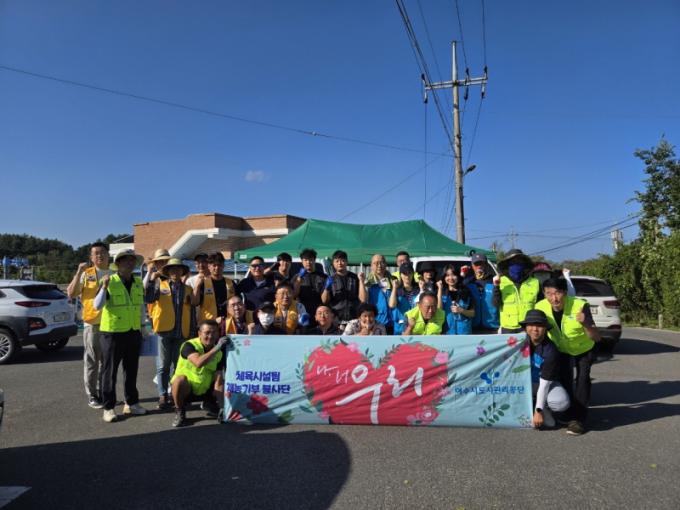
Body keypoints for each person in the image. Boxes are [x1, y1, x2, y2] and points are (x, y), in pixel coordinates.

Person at [535, 278, 601, 436]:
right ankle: (567, 412)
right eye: (549, 293)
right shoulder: (540, 307)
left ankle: (578, 420)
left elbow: (596, 337)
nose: (554, 298)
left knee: (582, 379)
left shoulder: (580, 305)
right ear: (544, 294)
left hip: (584, 348)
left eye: (557, 293)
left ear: (565, 292)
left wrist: (586, 324)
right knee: (565, 379)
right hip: (561, 349)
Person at [93, 249, 147, 422]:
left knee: (131, 370)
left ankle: (131, 403)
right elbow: (97, 306)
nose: (129, 263)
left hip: (133, 331)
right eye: (125, 260)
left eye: (132, 260)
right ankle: (108, 407)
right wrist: (104, 287)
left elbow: (140, 307)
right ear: (117, 264)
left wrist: (143, 327)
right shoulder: (109, 281)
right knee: (109, 372)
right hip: (112, 333)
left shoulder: (137, 282)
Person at [145, 258, 197, 410]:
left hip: (182, 332)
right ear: (167, 272)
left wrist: (192, 333)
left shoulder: (188, 289)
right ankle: (163, 395)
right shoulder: (160, 285)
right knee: (163, 366)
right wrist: (151, 280)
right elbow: (148, 298)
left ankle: (175, 394)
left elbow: (191, 312)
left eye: (178, 269)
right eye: (172, 269)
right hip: (163, 331)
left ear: (182, 271)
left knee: (179, 366)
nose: (175, 272)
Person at [66, 241, 112, 409]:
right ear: (91, 257)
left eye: (102, 252)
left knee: (107, 362)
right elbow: (71, 293)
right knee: (92, 361)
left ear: (108, 254)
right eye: (96, 253)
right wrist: (78, 272)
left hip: (111, 324)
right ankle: (92, 394)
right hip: (92, 323)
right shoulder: (86, 274)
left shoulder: (114, 273)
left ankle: (103, 392)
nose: (100, 255)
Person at [170, 320, 228, 427]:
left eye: (214, 332)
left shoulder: (219, 353)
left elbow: (219, 381)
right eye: (207, 333)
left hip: (205, 390)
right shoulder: (189, 345)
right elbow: (198, 363)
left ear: (218, 334)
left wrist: (223, 408)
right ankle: (179, 411)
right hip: (187, 390)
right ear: (199, 333)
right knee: (179, 380)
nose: (210, 336)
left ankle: (211, 404)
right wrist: (216, 348)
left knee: (223, 381)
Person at [520, 309, 570, 430]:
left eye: (539, 325)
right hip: (523, 384)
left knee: (561, 403)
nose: (535, 329)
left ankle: (540, 406)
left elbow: (544, 385)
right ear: (525, 327)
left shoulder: (551, 350)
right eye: (531, 325)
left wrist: (538, 411)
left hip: (544, 383)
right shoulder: (517, 342)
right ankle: (530, 403)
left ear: (546, 328)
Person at [494, 249, 541, 333]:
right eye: (513, 262)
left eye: (519, 262)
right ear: (507, 265)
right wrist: (496, 287)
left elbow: (540, 306)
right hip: (507, 328)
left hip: (529, 327)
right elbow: (496, 304)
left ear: (524, 264)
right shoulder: (500, 281)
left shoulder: (535, 282)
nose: (516, 265)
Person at [321, 250, 364, 331]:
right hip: (336, 321)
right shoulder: (330, 279)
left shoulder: (355, 277)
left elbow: (363, 299)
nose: (340, 263)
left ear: (347, 262)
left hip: (354, 319)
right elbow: (324, 301)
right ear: (333, 263)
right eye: (337, 261)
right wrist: (326, 288)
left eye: (342, 260)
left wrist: (361, 281)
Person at [193, 252, 236, 322]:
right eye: (214, 265)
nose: (217, 268)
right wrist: (197, 286)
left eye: (219, 265)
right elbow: (195, 302)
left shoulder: (231, 283)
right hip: (209, 323)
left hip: (228, 323)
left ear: (223, 266)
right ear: (209, 266)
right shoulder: (203, 283)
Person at [465, 253, 499, 333]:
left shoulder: (495, 280)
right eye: (476, 264)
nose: (479, 266)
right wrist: (462, 276)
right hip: (471, 327)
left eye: (481, 263)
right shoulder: (467, 282)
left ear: (486, 264)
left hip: (493, 327)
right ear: (472, 266)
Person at [437, 264, 475, 335]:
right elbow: (439, 310)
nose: (451, 278)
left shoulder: (466, 291)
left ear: (458, 276)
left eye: (453, 275)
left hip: (464, 333)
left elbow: (472, 313)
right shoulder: (441, 292)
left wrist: (461, 310)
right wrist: (440, 289)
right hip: (447, 332)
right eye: (447, 275)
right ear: (444, 277)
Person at [363, 253, 395, 333]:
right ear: (371, 265)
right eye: (376, 263)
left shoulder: (393, 280)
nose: (379, 265)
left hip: (393, 323)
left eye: (382, 262)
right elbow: (363, 300)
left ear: (386, 264)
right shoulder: (367, 283)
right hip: (376, 324)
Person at [294, 248, 326, 323]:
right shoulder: (296, 277)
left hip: (319, 312)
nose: (308, 262)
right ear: (302, 261)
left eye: (310, 259)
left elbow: (326, 300)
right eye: (305, 260)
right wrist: (299, 280)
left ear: (314, 260)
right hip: (302, 312)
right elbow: (294, 294)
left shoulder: (323, 277)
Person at [388, 262, 420, 334]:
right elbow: (392, 305)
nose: (407, 276)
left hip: (416, 326)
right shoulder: (397, 290)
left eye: (409, 273)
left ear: (413, 274)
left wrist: (422, 289)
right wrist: (394, 288)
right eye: (404, 273)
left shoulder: (418, 289)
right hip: (400, 328)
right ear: (400, 275)